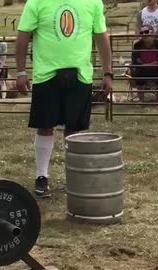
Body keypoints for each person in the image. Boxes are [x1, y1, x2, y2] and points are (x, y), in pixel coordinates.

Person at [15, 0, 113, 198]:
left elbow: (101, 37)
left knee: (74, 129)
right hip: (46, 75)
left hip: (80, 75)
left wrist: (108, 73)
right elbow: (23, 35)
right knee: (45, 126)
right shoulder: (36, 2)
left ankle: (74, 176)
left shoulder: (93, 3)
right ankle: (42, 176)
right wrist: (20, 71)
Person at [130, 25, 158, 102]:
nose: (144, 34)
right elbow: (135, 60)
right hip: (143, 69)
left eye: (146, 32)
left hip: (157, 68)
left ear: (152, 32)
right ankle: (141, 101)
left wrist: (156, 63)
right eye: (142, 33)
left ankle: (157, 100)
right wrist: (143, 65)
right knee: (138, 75)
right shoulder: (137, 45)